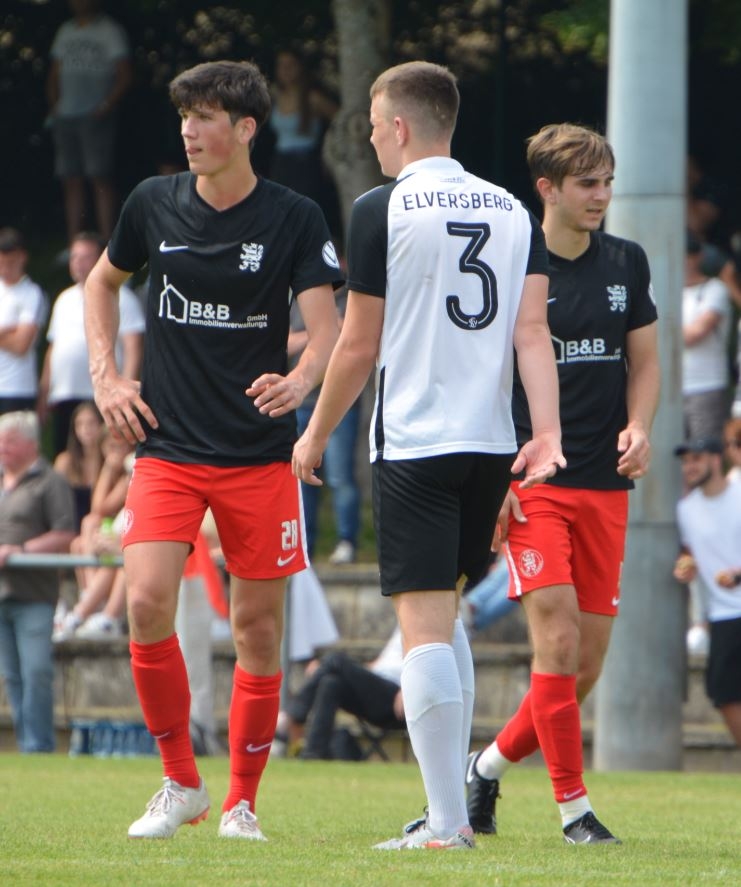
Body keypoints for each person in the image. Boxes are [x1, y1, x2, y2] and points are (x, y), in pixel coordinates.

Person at [292, 61, 564, 851]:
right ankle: (450, 810)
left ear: (401, 126)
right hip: (489, 445)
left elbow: (357, 344)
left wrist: (314, 433)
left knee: (422, 630)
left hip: (415, 441)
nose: (372, 135)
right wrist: (545, 433)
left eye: (375, 123)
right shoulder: (512, 209)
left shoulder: (382, 206)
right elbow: (532, 333)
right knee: (446, 620)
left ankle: (446, 823)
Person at [83, 59, 340, 841]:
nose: (188, 131)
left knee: (258, 630)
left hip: (259, 456)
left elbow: (328, 330)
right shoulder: (151, 202)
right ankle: (180, 781)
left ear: (246, 129)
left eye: (204, 117)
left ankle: (241, 802)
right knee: (146, 601)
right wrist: (105, 378)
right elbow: (100, 284)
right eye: (184, 116)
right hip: (166, 447)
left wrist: (301, 380)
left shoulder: (294, 216)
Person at [465, 123, 660, 845]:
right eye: (587, 184)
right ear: (546, 188)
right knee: (557, 639)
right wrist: (496, 478)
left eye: (607, 182)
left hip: (605, 485)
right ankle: (574, 811)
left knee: (581, 669)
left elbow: (644, 362)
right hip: (534, 481)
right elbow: (484, 378)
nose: (601, 196)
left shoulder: (626, 261)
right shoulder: (510, 264)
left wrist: (638, 426)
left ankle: (484, 766)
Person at [0, 411, 76, 752]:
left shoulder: (50, 481)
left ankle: (39, 745)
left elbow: (65, 533)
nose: (2, 447)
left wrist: (20, 550)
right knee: (12, 676)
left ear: (31, 444)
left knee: (36, 671)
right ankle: (25, 744)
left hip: (34, 594)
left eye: (10, 441)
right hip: (2, 593)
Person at [39, 231, 145, 457]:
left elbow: (133, 346)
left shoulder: (123, 297)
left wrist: (125, 391)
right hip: (65, 393)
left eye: (86, 257)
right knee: (66, 456)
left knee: (103, 455)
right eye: (74, 257)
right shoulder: (63, 299)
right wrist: (44, 393)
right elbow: (53, 350)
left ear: (101, 259)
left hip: (101, 393)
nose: (79, 263)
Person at [673, 437, 741, 746]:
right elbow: (690, 553)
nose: (690, 467)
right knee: (722, 692)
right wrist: (686, 566)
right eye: (686, 461)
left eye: (697, 459)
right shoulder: (686, 510)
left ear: (716, 460)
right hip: (723, 614)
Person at [46, 0, 132, 240]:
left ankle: (107, 242)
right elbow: (54, 72)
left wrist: (105, 106)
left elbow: (125, 74)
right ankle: (74, 244)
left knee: (99, 177)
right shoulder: (66, 30)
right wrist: (55, 106)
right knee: (70, 179)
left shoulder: (110, 30)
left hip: (95, 116)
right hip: (65, 115)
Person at [289, 286, 362, 564]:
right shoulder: (296, 300)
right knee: (300, 477)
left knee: (341, 476)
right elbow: (285, 342)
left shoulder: (349, 297)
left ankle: (347, 541)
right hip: (302, 402)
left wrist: (324, 335)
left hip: (341, 404)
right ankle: (304, 545)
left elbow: (357, 340)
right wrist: (323, 335)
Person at [276, 626, 405, 760]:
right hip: (379, 683)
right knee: (331, 682)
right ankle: (313, 753)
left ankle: (293, 715)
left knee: (336, 660)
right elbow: (384, 663)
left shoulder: (418, 624)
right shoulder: (402, 624)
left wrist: (407, 689)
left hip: (398, 698)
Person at [265, 48, 339, 230]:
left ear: (300, 68)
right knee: (280, 211)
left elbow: (341, 120)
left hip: (306, 162)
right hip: (281, 161)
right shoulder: (275, 96)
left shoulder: (313, 98)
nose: (285, 70)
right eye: (281, 66)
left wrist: (331, 147)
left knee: (305, 211)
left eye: (290, 65)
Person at [682, 231, 732, 441]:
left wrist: (662, 333)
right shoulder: (665, 291)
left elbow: (695, 333)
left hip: (706, 385)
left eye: (690, 255)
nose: (685, 261)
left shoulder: (715, 289)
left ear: (699, 257)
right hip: (670, 388)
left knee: (706, 449)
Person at [0, 228, 47, 415]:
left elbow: (21, 345)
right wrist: (9, 331)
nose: (5, 269)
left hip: (18, 387)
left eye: (10, 263)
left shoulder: (32, 294)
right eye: (1, 263)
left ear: (22, 257)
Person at [52, 400, 105, 531]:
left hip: (101, 525)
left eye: (91, 423)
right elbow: (54, 501)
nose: (85, 429)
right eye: (79, 424)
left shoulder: (108, 461)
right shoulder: (65, 461)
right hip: (69, 527)